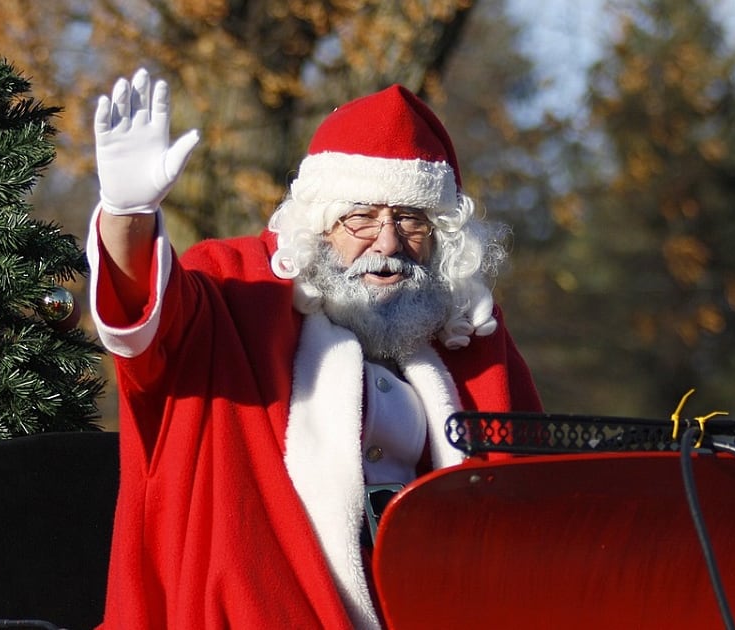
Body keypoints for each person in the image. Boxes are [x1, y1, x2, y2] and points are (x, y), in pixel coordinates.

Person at [86, 68, 542, 629]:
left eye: (410, 219)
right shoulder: (237, 290)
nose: (388, 241)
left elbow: (538, 502)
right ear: (320, 226)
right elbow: (143, 320)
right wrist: (127, 216)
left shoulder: (467, 331)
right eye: (361, 217)